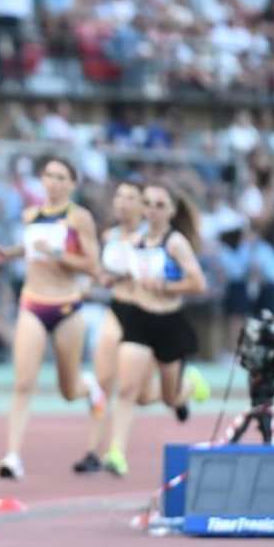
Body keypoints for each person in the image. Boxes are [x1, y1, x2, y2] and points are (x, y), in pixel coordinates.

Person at [0, 157, 104, 480]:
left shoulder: (79, 218)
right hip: (33, 303)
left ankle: (88, 387)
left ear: (72, 184)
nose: (53, 182)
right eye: (49, 175)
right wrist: (7, 253)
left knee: (68, 390)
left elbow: (93, 266)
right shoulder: (31, 215)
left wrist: (59, 255)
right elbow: (30, 248)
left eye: (61, 177)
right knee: (23, 382)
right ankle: (12, 455)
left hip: (66, 305)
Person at [104, 183, 211, 477]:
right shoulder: (135, 240)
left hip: (168, 323)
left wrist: (166, 286)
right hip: (138, 319)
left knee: (168, 398)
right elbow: (129, 272)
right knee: (128, 389)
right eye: (148, 204)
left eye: (160, 205)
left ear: (172, 211)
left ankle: (190, 386)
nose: (152, 210)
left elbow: (199, 283)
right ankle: (116, 452)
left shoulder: (175, 243)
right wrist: (111, 279)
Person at [73, 180, 160, 474]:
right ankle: (94, 450)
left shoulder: (153, 238)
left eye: (130, 197)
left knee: (139, 393)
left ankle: (184, 388)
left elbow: (149, 274)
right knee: (103, 383)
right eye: (119, 196)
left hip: (146, 315)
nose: (122, 202)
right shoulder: (110, 235)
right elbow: (101, 271)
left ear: (143, 205)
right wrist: (90, 283)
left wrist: (119, 277)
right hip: (117, 311)